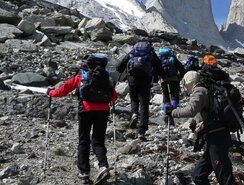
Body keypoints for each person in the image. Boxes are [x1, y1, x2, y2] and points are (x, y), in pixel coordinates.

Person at [47, 54, 117, 184]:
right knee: (98, 141)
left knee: (84, 140)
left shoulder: (82, 76)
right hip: (103, 111)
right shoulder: (106, 77)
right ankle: (103, 166)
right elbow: (113, 97)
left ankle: (84, 173)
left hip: (86, 110)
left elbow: (64, 89)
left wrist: (50, 93)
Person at [164, 71, 236, 185]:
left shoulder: (199, 90)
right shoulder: (205, 91)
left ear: (189, 82)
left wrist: (172, 112)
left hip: (217, 138)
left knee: (224, 177)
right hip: (214, 138)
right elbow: (203, 112)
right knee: (198, 175)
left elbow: (191, 110)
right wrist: (195, 123)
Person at [116, 41, 166, 141]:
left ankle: (134, 113)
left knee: (134, 99)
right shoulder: (150, 53)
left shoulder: (133, 51)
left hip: (132, 79)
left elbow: (119, 67)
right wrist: (163, 76)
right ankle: (141, 131)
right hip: (145, 81)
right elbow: (159, 68)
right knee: (144, 104)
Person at [158, 48, 186, 114]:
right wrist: (181, 76)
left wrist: (158, 77)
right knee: (174, 96)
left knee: (166, 96)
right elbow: (181, 67)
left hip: (163, 79)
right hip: (174, 79)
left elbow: (156, 68)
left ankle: (166, 113)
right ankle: (174, 112)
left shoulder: (160, 58)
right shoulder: (173, 57)